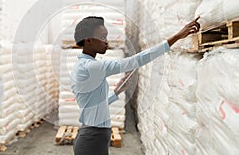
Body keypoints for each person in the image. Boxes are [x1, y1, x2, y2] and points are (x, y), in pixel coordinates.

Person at [70, 16, 200, 155]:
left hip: (94, 137)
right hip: (92, 140)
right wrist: (176, 37)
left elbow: (93, 105)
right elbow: (134, 61)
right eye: (102, 37)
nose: (106, 42)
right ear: (88, 40)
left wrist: (116, 92)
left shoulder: (82, 66)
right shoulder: (91, 67)